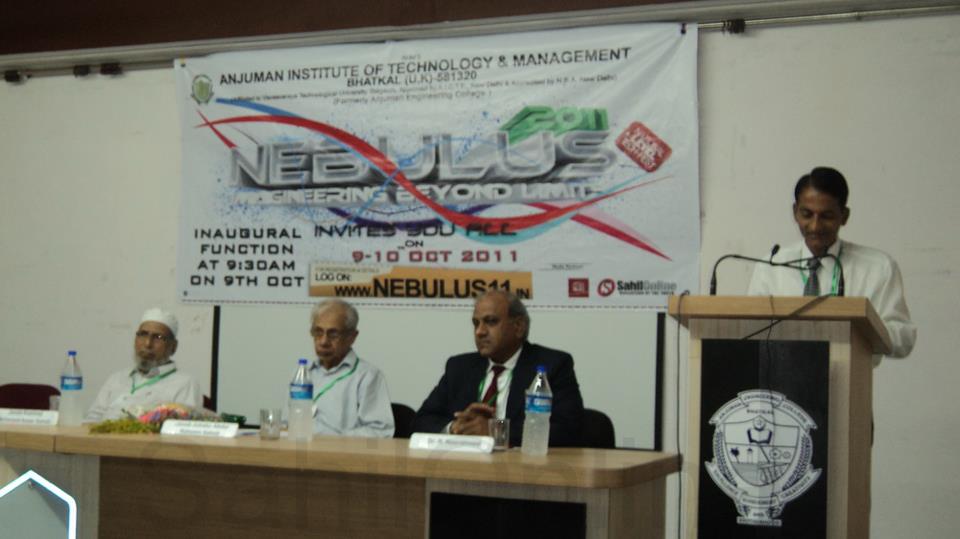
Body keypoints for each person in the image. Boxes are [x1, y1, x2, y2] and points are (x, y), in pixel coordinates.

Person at [748, 166, 916, 359]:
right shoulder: (771, 266)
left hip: (850, 373)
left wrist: (865, 325)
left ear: (844, 216)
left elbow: (904, 340)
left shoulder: (878, 267)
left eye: (826, 216)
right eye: (807, 214)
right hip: (780, 373)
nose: (815, 226)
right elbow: (750, 331)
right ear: (795, 212)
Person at [413, 290, 584, 447]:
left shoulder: (552, 365)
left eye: (491, 321)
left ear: (518, 326)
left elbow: (570, 430)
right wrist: (455, 427)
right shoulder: (459, 367)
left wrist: (496, 430)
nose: (480, 332)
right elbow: (420, 421)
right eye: (476, 323)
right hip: (466, 465)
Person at [85, 308, 202, 422]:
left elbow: (180, 428)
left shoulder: (185, 383)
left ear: (173, 347)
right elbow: (92, 419)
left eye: (158, 337)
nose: (148, 343)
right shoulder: (116, 378)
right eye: (143, 334)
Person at [306, 299, 394, 437]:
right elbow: (288, 423)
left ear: (352, 337)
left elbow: (380, 431)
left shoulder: (367, 376)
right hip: (299, 448)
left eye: (333, 334)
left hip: (341, 450)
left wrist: (334, 441)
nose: (323, 341)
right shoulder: (304, 374)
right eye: (318, 332)